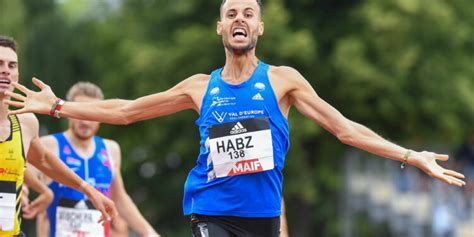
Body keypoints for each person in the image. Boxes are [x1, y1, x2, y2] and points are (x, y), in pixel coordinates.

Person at [4, 0, 466, 236]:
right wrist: (59, 107)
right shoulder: (199, 87)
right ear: (221, 27)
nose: (240, 18)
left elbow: (344, 129)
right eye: (231, 13)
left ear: (259, 27)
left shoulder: (284, 81)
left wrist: (410, 154)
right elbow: (126, 111)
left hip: (263, 216)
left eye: (249, 12)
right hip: (210, 211)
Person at [0, 35, 117, 236]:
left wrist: (88, 190)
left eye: (12, 65)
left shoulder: (26, 124)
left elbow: (44, 160)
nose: (5, 70)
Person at [33, 82, 159, 237]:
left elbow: (119, 198)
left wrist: (149, 233)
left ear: (101, 115)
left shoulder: (110, 149)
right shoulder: (49, 144)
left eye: (91, 113)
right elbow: (22, 179)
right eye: (80, 113)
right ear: (68, 112)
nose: (86, 121)